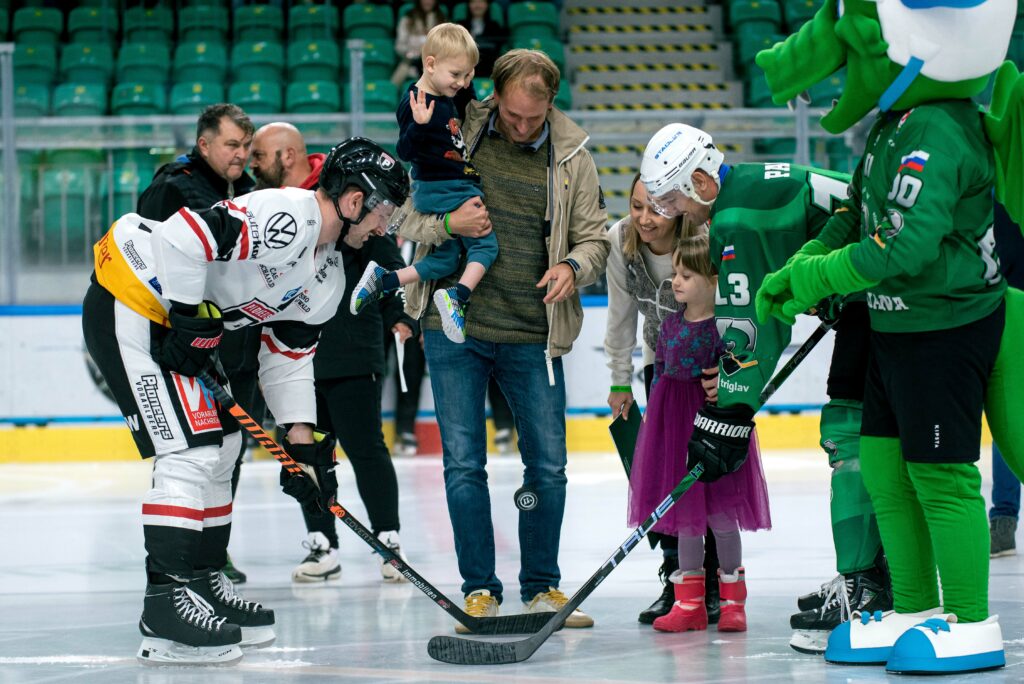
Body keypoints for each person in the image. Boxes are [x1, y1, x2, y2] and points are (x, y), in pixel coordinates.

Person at [82, 137, 409, 666]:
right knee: (190, 452)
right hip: (131, 295)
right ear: (353, 201)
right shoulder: (290, 213)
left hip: (177, 325)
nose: (385, 226)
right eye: (383, 211)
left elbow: (288, 354)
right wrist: (189, 321)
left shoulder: (328, 274)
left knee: (226, 447)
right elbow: (188, 235)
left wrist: (302, 444)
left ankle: (204, 584)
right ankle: (164, 608)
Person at [639, 123, 890, 654]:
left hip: (883, 293)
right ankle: (874, 577)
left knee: (849, 431)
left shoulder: (734, 216)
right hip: (878, 289)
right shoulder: (748, 184)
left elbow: (751, 326)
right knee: (868, 433)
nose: (680, 214)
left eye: (679, 200)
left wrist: (730, 408)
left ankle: (864, 585)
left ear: (703, 182)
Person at [397, 49, 609, 632]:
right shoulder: (453, 128)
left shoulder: (573, 158)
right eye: (511, 116)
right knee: (464, 466)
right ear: (494, 95)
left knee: (547, 466)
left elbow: (596, 240)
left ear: (551, 105)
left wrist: (572, 264)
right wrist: (448, 227)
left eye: (532, 119)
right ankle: (479, 590)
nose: (520, 127)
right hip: (453, 330)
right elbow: (405, 216)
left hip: (532, 336)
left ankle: (542, 587)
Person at [245, 122, 418, 583]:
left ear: (287, 154)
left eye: (260, 155)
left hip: (349, 345)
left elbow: (388, 258)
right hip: (292, 349)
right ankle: (323, 542)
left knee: (365, 446)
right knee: (308, 446)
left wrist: (400, 314)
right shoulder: (274, 210)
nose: (251, 164)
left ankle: (388, 537)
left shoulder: (350, 195)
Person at [136, 103, 257, 584]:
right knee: (191, 454)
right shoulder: (173, 186)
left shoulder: (248, 191)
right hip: (188, 350)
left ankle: (213, 552)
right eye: (232, 145)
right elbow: (149, 264)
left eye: (246, 146)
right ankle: (181, 559)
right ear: (204, 144)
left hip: (236, 346)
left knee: (231, 452)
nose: (241, 155)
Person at [629, 232, 771, 634]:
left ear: (714, 281)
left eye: (687, 275)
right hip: (674, 429)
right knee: (686, 519)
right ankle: (688, 603)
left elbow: (742, 374)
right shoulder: (669, 325)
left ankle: (732, 603)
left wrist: (727, 385)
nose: (676, 281)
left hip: (711, 427)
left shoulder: (725, 329)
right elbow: (661, 379)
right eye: (675, 272)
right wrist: (653, 428)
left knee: (723, 517)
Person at [604, 173, 722, 625]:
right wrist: (620, 380)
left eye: (655, 208)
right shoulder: (622, 239)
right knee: (665, 477)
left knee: (708, 475)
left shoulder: (703, 236)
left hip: (709, 370)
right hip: (664, 367)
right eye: (636, 206)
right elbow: (620, 313)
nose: (644, 219)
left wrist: (730, 369)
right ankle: (678, 577)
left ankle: (713, 581)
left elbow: (733, 302)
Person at [352, 23, 496, 345]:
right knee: (486, 245)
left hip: (442, 188)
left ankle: (386, 280)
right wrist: (417, 126)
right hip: (449, 188)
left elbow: (465, 107)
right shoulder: (416, 102)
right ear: (430, 64)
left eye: (468, 76)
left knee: (446, 258)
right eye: (457, 75)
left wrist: (468, 86)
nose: (461, 83)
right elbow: (404, 151)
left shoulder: (445, 93)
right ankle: (456, 296)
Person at [989, 202, 1023, 558]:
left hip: (1003, 314)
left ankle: (1003, 520)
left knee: (1009, 418)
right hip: (1005, 312)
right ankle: (1002, 520)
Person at [249, 121, 324, 191]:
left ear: (289, 156)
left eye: (258, 155)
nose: (251, 165)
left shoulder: (330, 197)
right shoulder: (260, 197)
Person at [393, 0, 447, 85]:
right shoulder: (407, 19)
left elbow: (447, 45)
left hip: (436, 64)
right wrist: (411, 54)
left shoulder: (442, 21)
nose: (428, 1)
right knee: (396, 81)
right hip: (410, 63)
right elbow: (399, 46)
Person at [458, 0, 505, 78]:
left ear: (487, 5)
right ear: (468, 5)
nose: (477, 5)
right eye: (473, 2)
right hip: (465, 66)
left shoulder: (495, 26)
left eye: (481, 1)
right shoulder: (460, 26)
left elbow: (496, 48)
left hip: (488, 67)